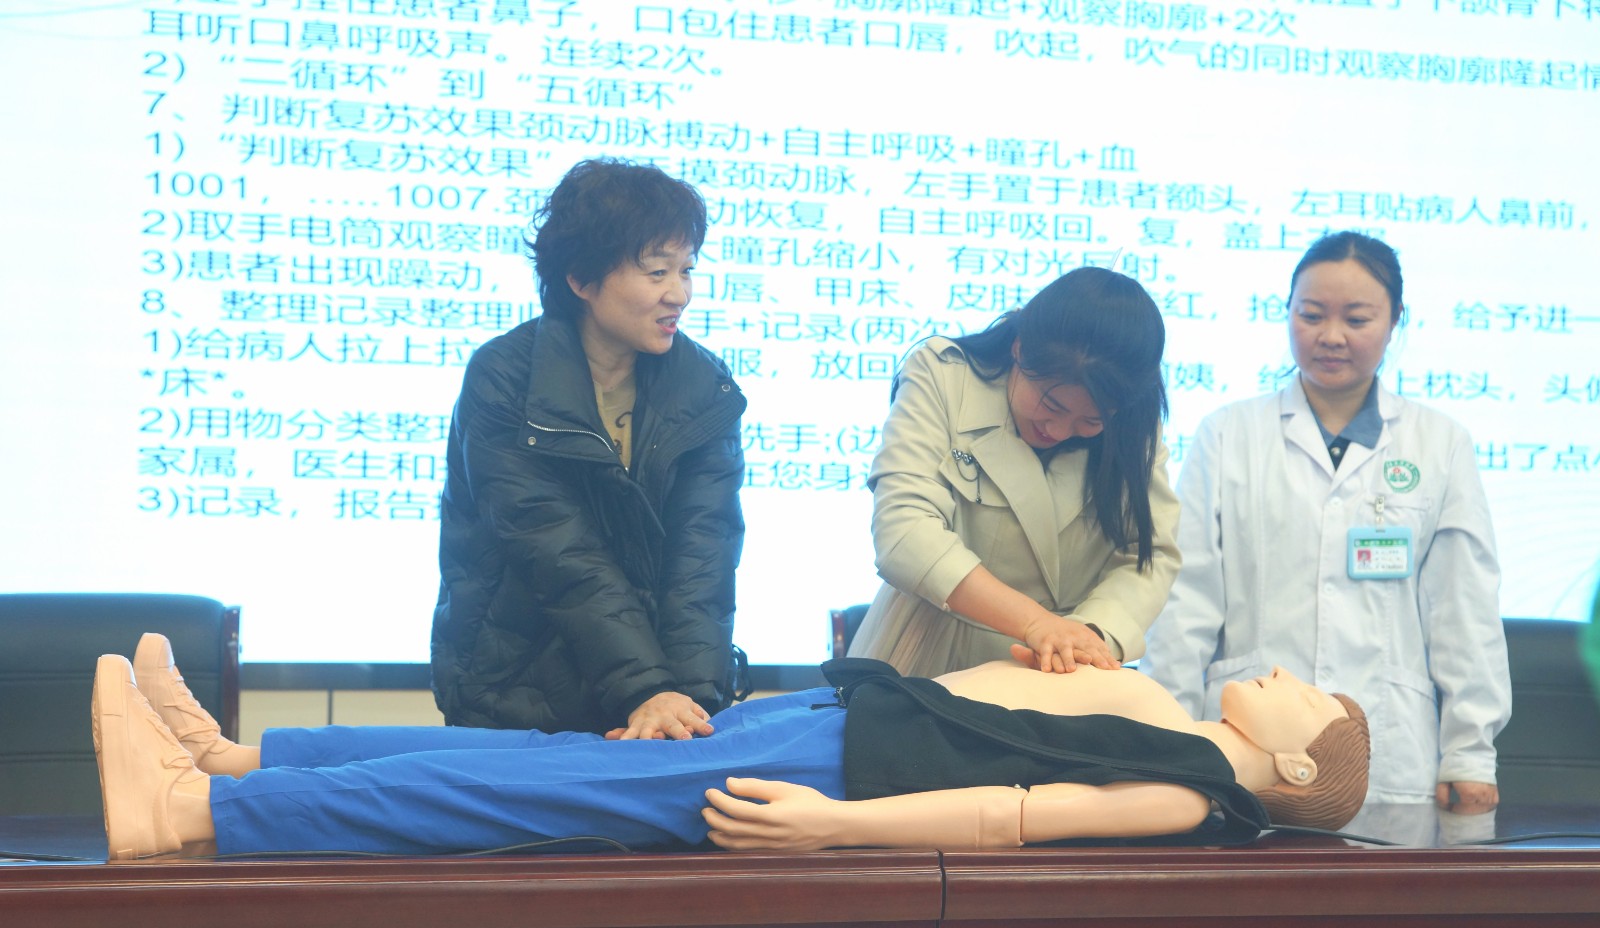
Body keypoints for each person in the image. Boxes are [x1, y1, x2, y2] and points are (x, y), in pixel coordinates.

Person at [95, 633, 1367, 859]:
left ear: (1297, 768)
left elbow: (1013, 819)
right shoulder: (1179, 717)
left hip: (831, 778)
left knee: (516, 789)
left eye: (1299, 694)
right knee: (537, 755)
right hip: (829, 722)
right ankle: (244, 763)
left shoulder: (1193, 794)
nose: (1275, 672)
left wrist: (834, 826)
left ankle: (196, 816)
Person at [1140, 231, 1510, 814]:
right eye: (1311, 315)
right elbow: (1186, 604)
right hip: (1246, 747)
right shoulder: (1229, 434)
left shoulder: (1440, 444)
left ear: (1396, 321)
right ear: (1287, 312)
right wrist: (1170, 744)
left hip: (1390, 748)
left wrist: (1471, 753)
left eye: (1356, 319)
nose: (1331, 336)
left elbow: (1463, 611)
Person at [432, 157, 747, 741]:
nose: (679, 294)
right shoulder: (506, 377)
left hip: (658, 701)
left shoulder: (704, 387)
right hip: (516, 689)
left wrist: (688, 707)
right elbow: (557, 550)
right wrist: (646, 689)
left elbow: (703, 556)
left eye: (687, 270)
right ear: (581, 280)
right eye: (657, 272)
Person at [848, 267, 1180, 678]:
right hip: (931, 659)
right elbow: (904, 530)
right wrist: (1036, 624)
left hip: (1066, 670)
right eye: (1051, 406)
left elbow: (1149, 554)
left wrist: (1085, 636)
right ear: (1020, 351)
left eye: (1090, 421)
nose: (1059, 430)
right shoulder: (943, 374)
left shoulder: (1132, 420)